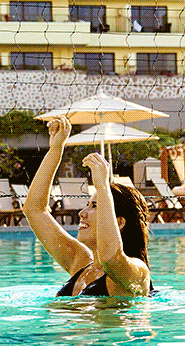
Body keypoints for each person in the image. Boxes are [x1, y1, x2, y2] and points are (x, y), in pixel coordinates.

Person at [23, 117, 153, 297]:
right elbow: (34, 210)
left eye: (94, 206)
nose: (82, 213)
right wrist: (56, 149)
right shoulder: (81, 260)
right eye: (87, 205)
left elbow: (111, 258)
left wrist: (103, 186)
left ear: (119, 222)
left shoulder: (138, 273)